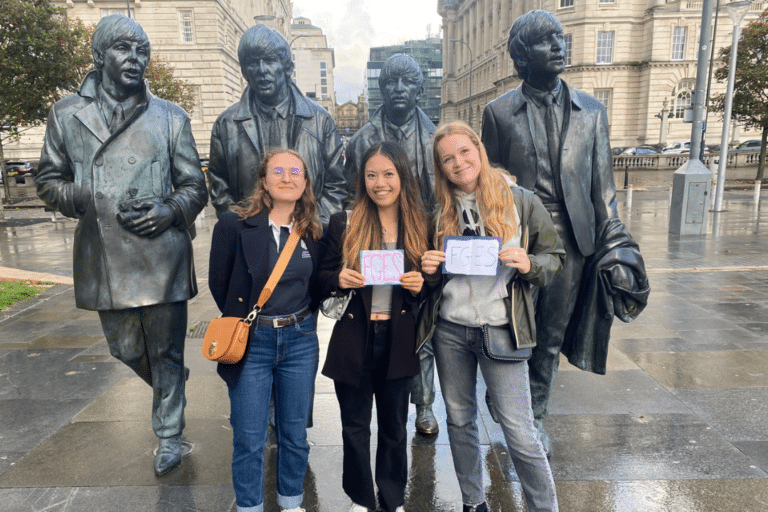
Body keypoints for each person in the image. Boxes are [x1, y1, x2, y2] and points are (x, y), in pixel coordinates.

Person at [35, 14, 207, 477]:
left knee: (167, 351)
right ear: (99, 56)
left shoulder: (170, 116)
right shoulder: (66, 114)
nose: (135, 59)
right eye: (124, 49)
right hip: (105, 254)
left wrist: (171, 209)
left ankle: (170, 434)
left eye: (143, 51)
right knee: (125, 348)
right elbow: (48, 179)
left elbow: (195, 185)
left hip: (162, 252)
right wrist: (84, 195)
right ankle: (168, 385)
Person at [480, 9, 645, 457]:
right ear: (521, 55)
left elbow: (603, 190)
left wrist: (617, 246)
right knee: (512, 329)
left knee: (550, 336)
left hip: (572, 241)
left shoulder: (592, 111)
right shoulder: (497, 113)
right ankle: (505, 398)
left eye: (560, 37)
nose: (558, 45)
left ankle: (532, 420)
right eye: (545, 40)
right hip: (519, 240)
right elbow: (490, 186)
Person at [419, 121, 564, 512]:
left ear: (478, 150)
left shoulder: (522, 202)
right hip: (451, 330)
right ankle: (472, 502)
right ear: (440, 167)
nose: (458, 162)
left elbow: (555, 259)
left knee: (519, 430)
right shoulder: (439, 213)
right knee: (460, 421)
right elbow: (431, 284)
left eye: (464, 152)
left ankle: (543, 507)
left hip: (502, 327)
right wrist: (429, 270)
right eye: (447, 158)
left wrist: (529, 262)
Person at [208, 148, 324, 512]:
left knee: (294, 435)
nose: (287, 177)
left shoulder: (315, 231)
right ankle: (249, 506)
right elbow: (219, 283)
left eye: (295, 171)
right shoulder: (234, 224)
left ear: (305, 182)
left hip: (300, 340)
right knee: (249, 437)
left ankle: (292, 503)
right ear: (264, 181)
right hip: (252, 344)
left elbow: (318, 284)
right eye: (278, 171)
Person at [320, 141, 429, 512]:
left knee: (395, 428)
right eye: (371, 175)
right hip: (355, 337)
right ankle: (360, 498)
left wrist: (422, 284)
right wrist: (340, 278)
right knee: (354, 428)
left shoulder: (420, 223)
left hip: (398, 338)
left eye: (388, 174)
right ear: (361, 179)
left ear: (402, 177)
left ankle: (392, 496)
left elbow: (435, 281)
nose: (379, 183)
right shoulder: (344, 222)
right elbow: (320, 277)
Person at [344, 53, 440, 436]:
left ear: (420, 89)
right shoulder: (362, 139)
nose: (399, 89)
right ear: (381, 89)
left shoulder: (435, 138)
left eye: (407, 82)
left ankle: (425, 405)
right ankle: (378, 398)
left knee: (422, 327)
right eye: (391, 82)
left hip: (422, 240)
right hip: (376, 239)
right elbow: (350, 192)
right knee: (380, 323)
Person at [207, 24, 346, 224]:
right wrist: (245, 228)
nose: (262, 70)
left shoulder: (319, 119)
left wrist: (314, 226)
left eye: (270, 61)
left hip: (309, 239)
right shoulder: (226, 124)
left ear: (286, 66)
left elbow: (337, 184)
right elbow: (219, 186)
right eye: (253, 63)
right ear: (245, 70)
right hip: (250, 240)